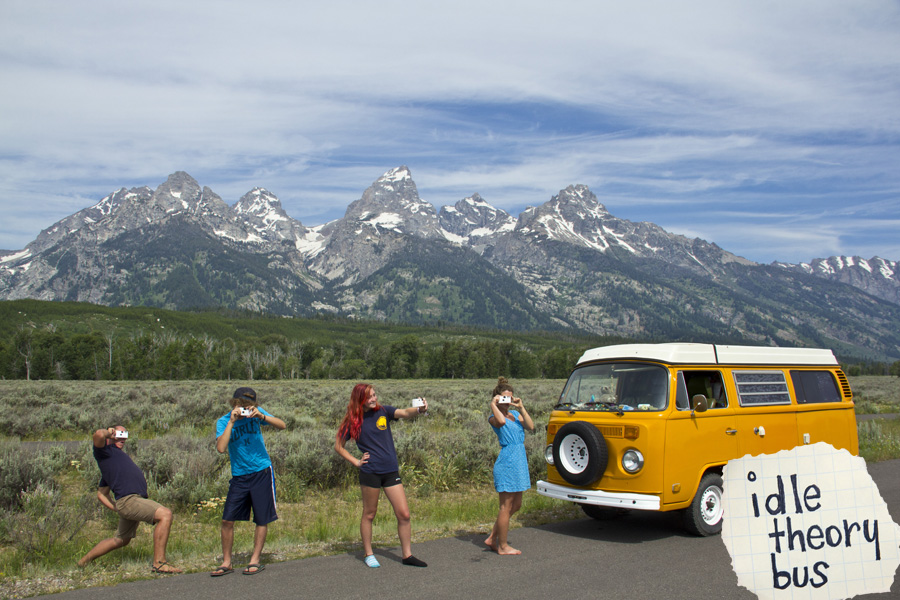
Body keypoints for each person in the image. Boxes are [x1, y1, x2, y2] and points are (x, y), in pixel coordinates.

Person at [334, 383, 428, 568]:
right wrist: (356, 462)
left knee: (404, 514)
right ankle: (368, 554)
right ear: (359, 399)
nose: (373, 399)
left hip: (390, 470)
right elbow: (338, 446)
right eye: (369, 397)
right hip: (371, 472)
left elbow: (404, 413)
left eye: (375, 395)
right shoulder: (352, 420)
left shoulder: (383, 411)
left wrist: (419, 410)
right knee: (369, 514)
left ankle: (407, 555)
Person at [78, 425, 182, 573]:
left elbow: (101, 493)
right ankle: (159, 563)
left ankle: (82, 562)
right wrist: (109, 433)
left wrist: (116, 507)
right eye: (120, 432)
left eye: (125, 434)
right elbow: (97, 435)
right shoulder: (104, 452)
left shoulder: (114, 459)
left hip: (130, 501)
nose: (123, 437)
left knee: (120, 540)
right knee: (165, 514)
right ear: (112, 434)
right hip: (129, 501)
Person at [211, 387, 286, 576]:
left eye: (248, 405)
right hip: (239, 475)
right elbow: (221, 448)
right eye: (241, 404)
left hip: (261, 471)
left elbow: (282, 425)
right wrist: (232, 421)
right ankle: (227, 561)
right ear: (234, 403)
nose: (244, 408)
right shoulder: (223, 421)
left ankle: (255, 559)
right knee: (227, 519)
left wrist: (261, 417)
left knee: (262, 518)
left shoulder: (256, 415)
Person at [485, 377, 534, 555]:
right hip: (507, 461)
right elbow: (502, 422)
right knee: (505, 506)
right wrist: (493, 404)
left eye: (510, 398)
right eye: (504, 398)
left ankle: (492, 537)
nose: (508, 402)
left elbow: (530, 426)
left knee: (517, 504)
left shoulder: (516, 414)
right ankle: (502, 546)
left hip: (519, 460)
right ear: (497, 398)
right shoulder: (493, 417)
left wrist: (520, 407)